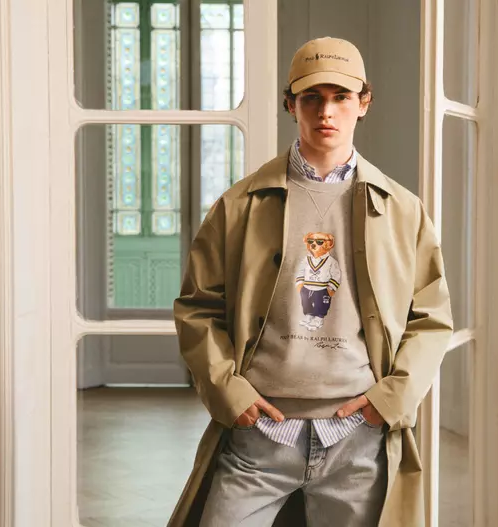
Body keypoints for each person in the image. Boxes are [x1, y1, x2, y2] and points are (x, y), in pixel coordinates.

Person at [168, 37, 453, 527]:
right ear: (290, 104)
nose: (326, 111)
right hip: (260, 434)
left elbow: (430, 318)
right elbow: (198, 309)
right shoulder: (238, 207)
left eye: (341, 97)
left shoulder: (403, 211)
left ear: (364, 103)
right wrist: (229, 393)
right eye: (311, 98)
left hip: (356, 436)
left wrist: (390, 400)